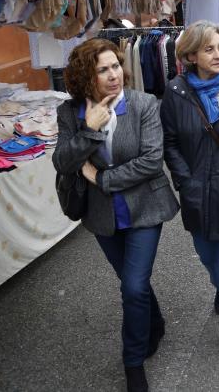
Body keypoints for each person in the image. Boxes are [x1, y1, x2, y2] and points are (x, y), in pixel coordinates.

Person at [53, 39, 179, 392]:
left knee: (133, 284)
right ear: (84, 77)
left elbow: (152, 162)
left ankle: (133, 362)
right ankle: (154, 323)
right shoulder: (70, 113)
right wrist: (90, 129)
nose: (113, 76)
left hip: (144, 208)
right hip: (102, 215)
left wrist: (102, 177)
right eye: (102, 70)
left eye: (115, 67)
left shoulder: (143, 104)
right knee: (132, 282)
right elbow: (63, 161)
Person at [160, 22, 219, 354]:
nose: (218, 54)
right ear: (189, 55)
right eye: (208, 49)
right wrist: (185, 181)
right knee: (206, 255)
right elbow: (170, 142)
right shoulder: (175, 92)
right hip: (195, 191)